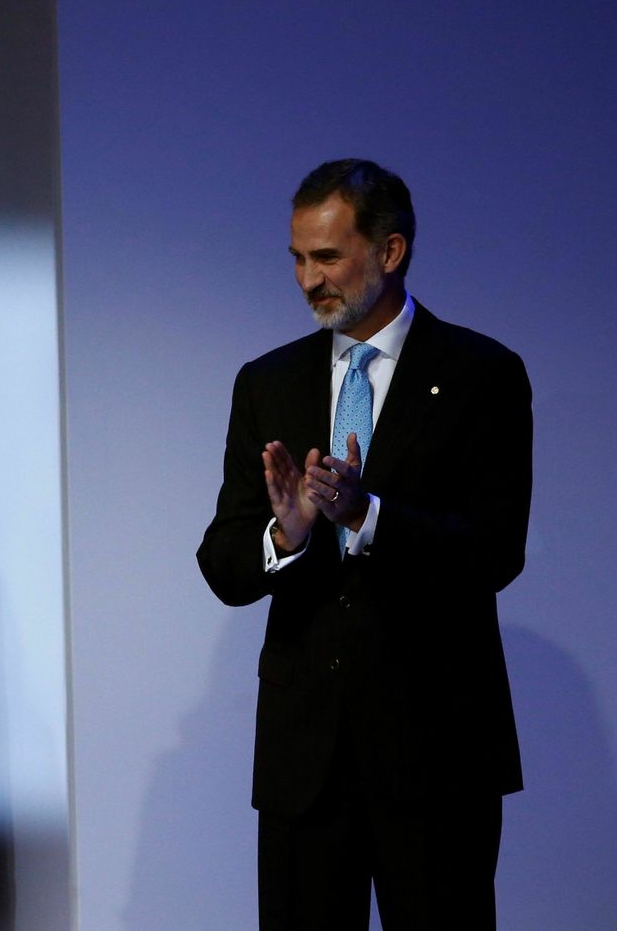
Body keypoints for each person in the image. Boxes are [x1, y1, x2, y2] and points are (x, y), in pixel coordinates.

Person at [197, 160, 532, 930]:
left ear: (390, 252)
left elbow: (494, 551)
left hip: (437, 752)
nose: (307, 280)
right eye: (297, 259)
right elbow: (223, 561)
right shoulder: (267, 382)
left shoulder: (482, 374)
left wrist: (367, 514)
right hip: (304, 761)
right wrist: (287, 533)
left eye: (327, 257)